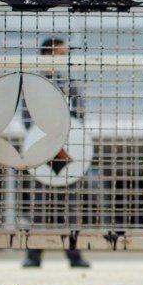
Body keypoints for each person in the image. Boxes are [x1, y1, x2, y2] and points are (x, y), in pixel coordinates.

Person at [21, 37, 90, 269]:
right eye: (60, 54)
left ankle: (74, 255)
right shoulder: (34, 85)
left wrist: (64, 142)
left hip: (67, 152)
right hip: (42, 153)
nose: (64, 59)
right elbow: (28, 120)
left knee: (71, 206)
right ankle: (34, 255)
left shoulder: (70, 84)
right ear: (46, 55)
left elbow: (79, 117)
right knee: (38, 206)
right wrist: (50, 141)